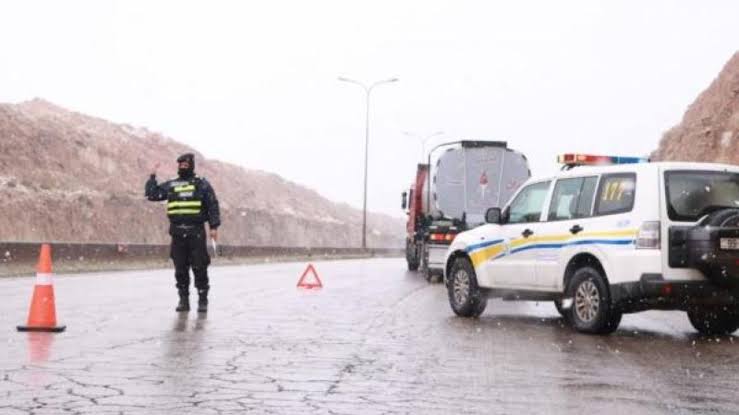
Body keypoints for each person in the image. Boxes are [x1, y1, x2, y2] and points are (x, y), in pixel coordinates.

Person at [145, 153, 220, 313]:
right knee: (180, 269)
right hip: (177, 234)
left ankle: (202, 300)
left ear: (191, 165)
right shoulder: (172, 184)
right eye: (180, 164)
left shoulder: (201, 184)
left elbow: (212, 205)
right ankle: (183, 300)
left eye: (186, 164)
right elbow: (152, 194)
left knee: (199, 267)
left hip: (196, 232)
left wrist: (213, 227)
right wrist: (152, 175)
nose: (183, 166)